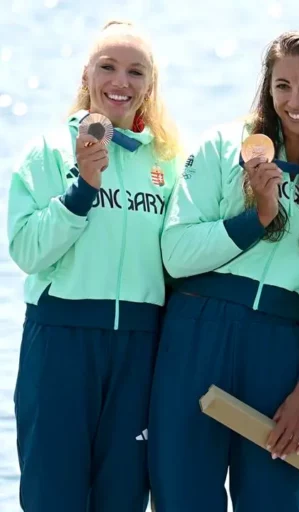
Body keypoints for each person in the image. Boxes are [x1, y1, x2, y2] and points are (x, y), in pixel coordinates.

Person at [148, 31, 299, 511]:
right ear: (268, 88)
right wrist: (255, 218)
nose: (294, 100)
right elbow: (175, 253)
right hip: (194, 338)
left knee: (272, 502)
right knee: (183, 498)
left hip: (277, 351)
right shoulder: (224, 146)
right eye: (282, 85)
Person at [7, 19, 181, 512]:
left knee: (123, 497)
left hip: (139, 349)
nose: (120, 82)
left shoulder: (168, 165)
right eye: (108, 67)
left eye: (135, 71)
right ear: (87, 74)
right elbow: (27, 252)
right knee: (52, 496)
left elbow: (181, 258)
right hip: (62, 340)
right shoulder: (46, 154)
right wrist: (82, 188)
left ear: (151, 85)